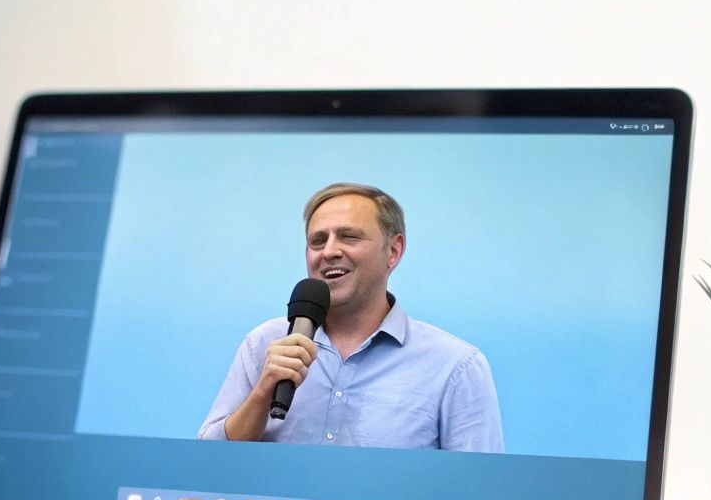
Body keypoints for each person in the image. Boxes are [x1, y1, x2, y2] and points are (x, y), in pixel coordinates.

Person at [198, 182, 504, 451]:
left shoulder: (455, 367)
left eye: (348, 236)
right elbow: (205, 463)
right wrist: (263, 393)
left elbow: (479, 492)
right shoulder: (265, 344)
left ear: (393, 251)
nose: (329, 251)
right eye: (318, 240)